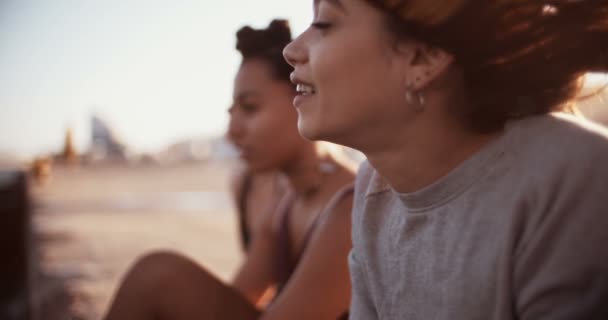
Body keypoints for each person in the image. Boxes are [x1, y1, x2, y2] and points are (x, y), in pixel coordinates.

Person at [283, 0, 608, 319]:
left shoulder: (576, 177)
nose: (292, 50)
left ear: (424, 59)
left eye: (324, 23)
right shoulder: (376, 189)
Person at [103, 19, 356, 320]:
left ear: (300, 97)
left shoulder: (350, 204)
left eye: (249, 108)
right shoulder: (286, 201)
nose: (231, 132)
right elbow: (236, 298)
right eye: (231, 112)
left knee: (157, 276)